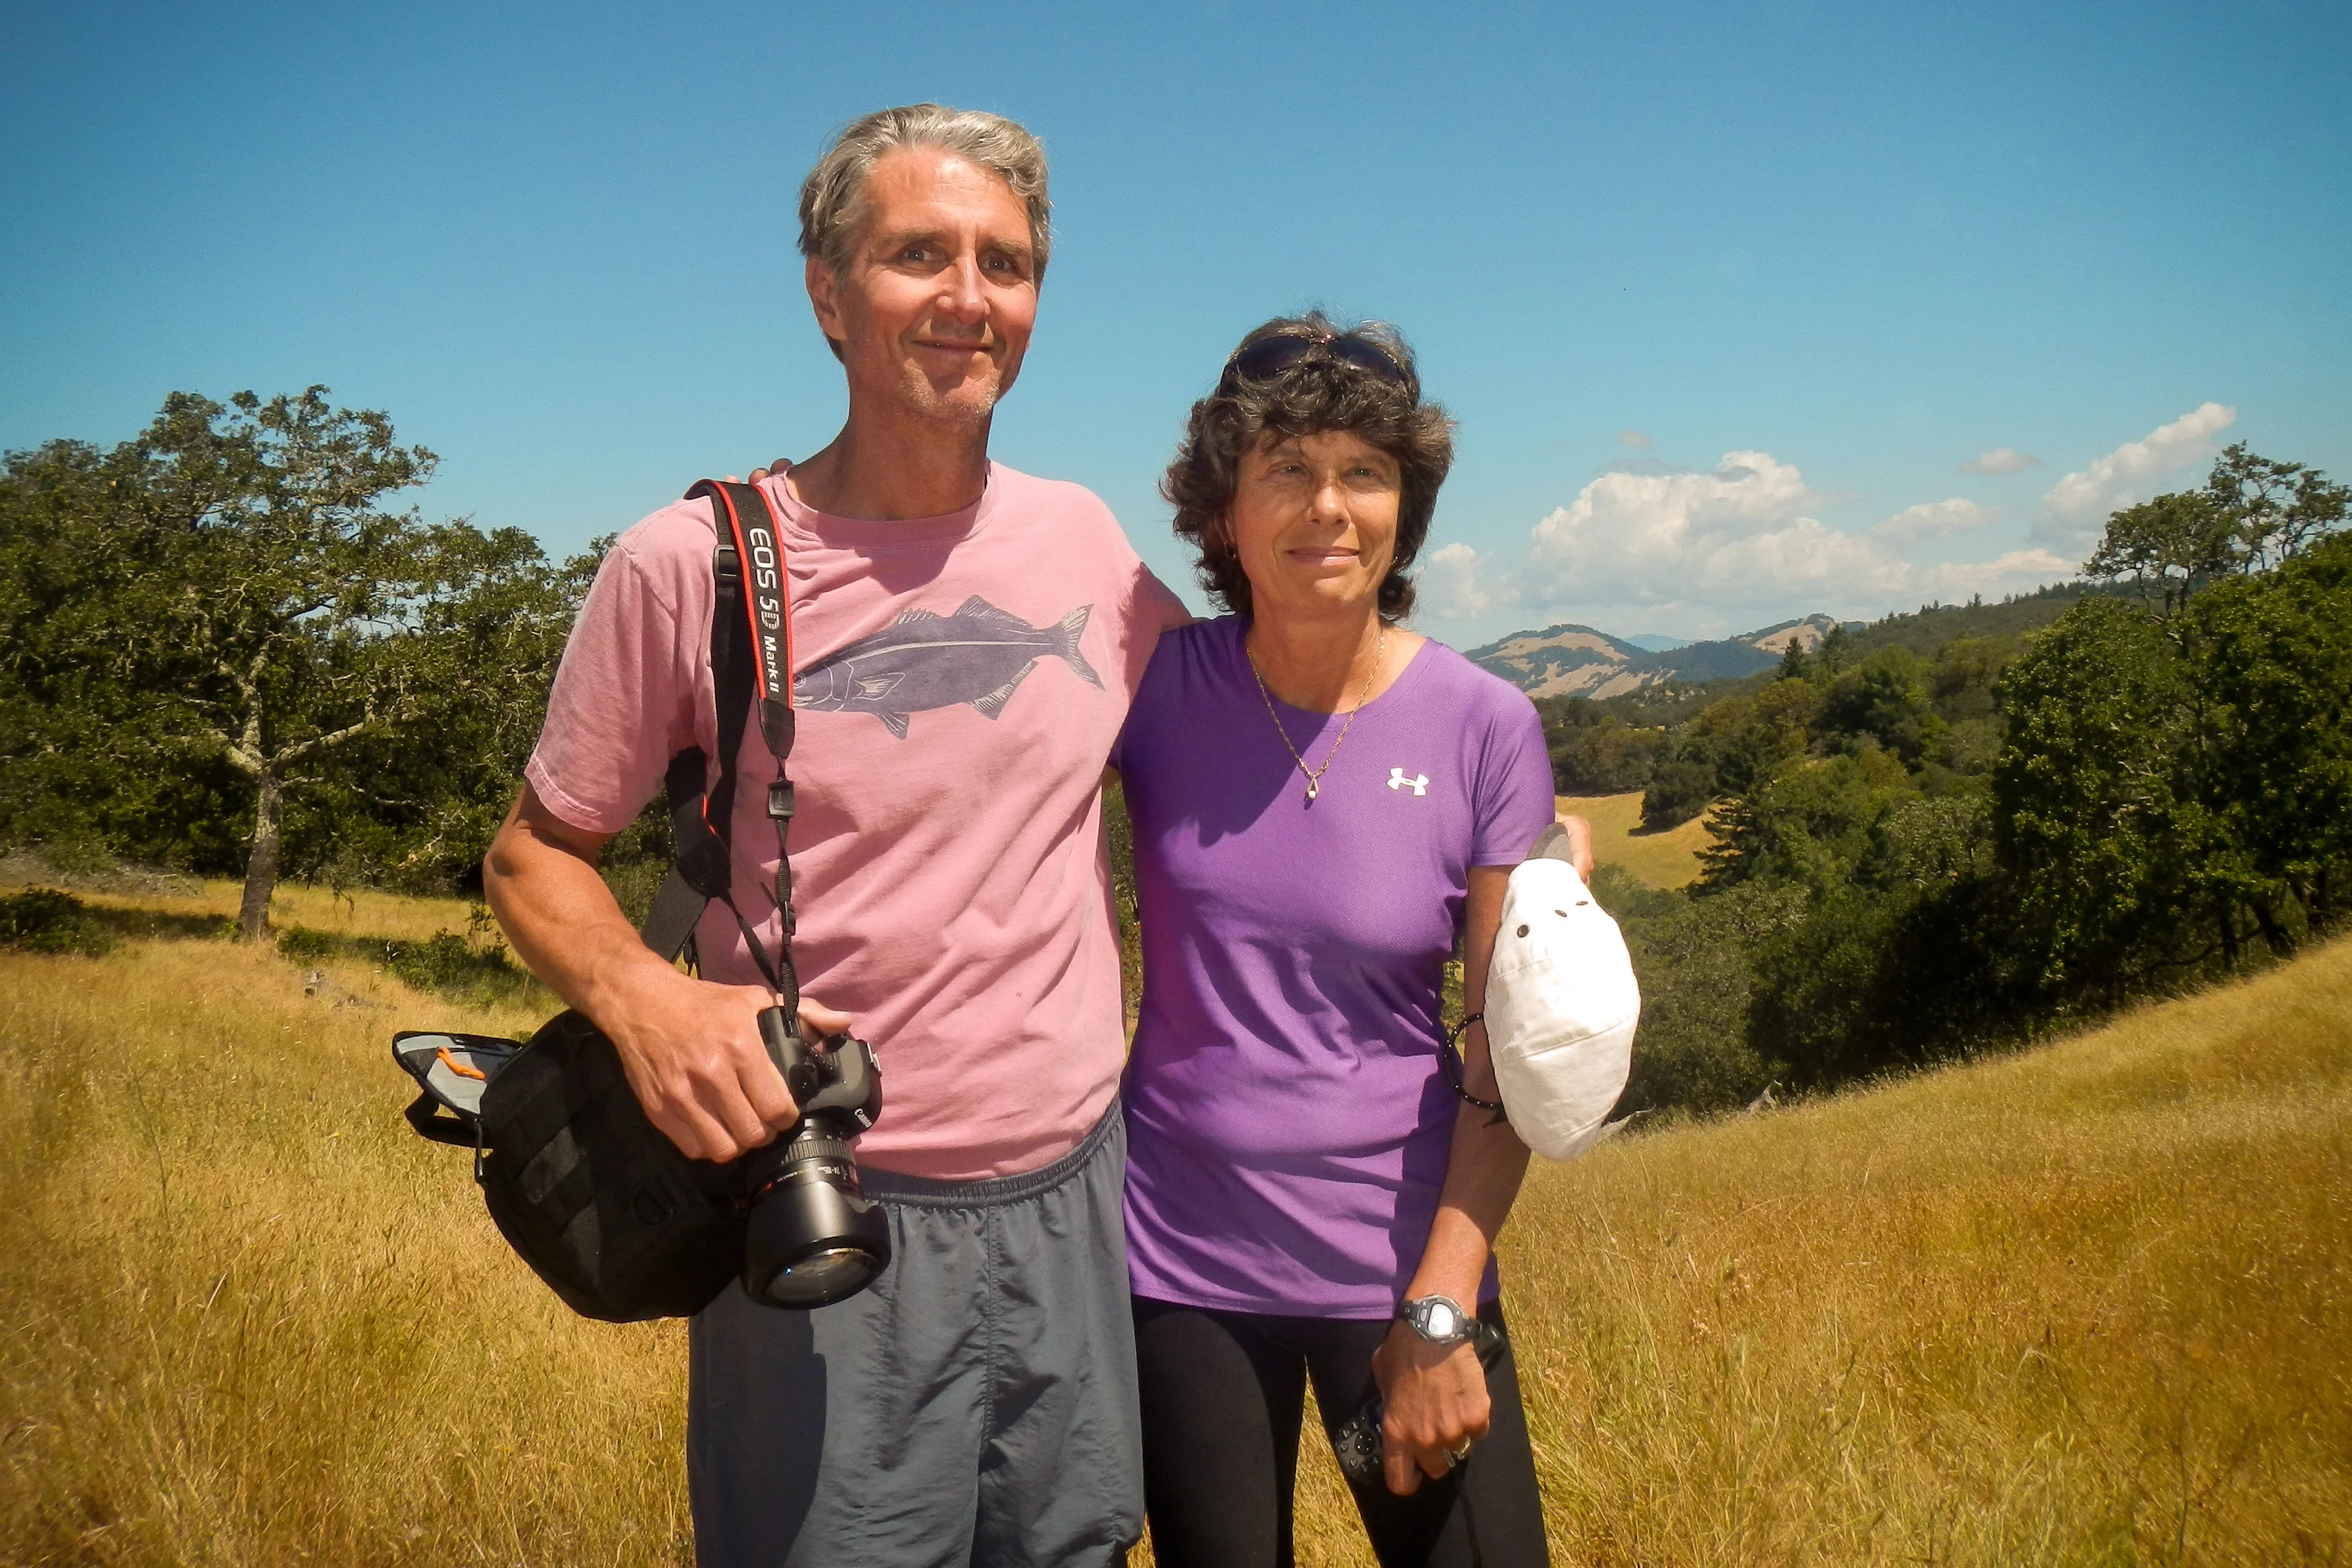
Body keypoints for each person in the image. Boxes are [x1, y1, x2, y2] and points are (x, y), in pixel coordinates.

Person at [482, 104, 1185, 1567]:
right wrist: (648, 1004)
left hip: (1079, 1196)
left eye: (1006, 261)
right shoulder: (691, 567)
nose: (968, 297)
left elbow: (1246, 725)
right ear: (826, 293)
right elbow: (533, 857)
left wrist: (1510, 821)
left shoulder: (1087, 550)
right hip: (827, 1211)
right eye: (917, 254)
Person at [1111, 315, 1582, 1568]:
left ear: (1405, 505)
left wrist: (1442, 1305)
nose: (1327, 507)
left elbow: (1503, 1054)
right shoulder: (1150, 686)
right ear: (1223, 510)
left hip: (1398, 1257)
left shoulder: (1487, 726)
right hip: (1178, 1265)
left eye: (1363, 471)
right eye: (1285, 469)